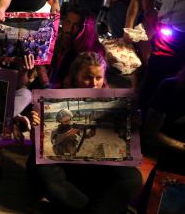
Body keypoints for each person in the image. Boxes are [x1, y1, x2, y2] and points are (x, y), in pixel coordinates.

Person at [26, 52, 142, 213]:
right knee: (44, 173)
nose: (94, 83)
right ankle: (93, 207)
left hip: (94, 167)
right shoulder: (52, 100)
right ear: (75, 76)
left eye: (98, 78)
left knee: (132, 178)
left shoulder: (114, 104)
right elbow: (39, 145)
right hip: (63, 165)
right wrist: (36, 127)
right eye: (88, 77)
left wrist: (130, 128)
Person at [50, 7, 105, 88]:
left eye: (76, 25)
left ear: (86, 29)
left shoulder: (93, 55)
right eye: (68, 22)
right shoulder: (61, 41)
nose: (69, 28)